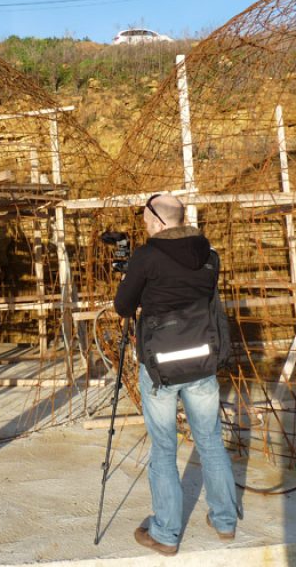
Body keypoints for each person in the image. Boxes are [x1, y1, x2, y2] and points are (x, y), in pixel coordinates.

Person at [113, 193, 238, 556]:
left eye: (146, 220)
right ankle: (225, 520)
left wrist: (132, 277)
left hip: (160, 367)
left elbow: (124, 306)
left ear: (160, 221)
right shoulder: (209, 257)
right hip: (201, 360)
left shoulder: (147, 257)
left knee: (165, 447)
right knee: (210, 440)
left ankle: (166, 534)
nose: (143, 225)